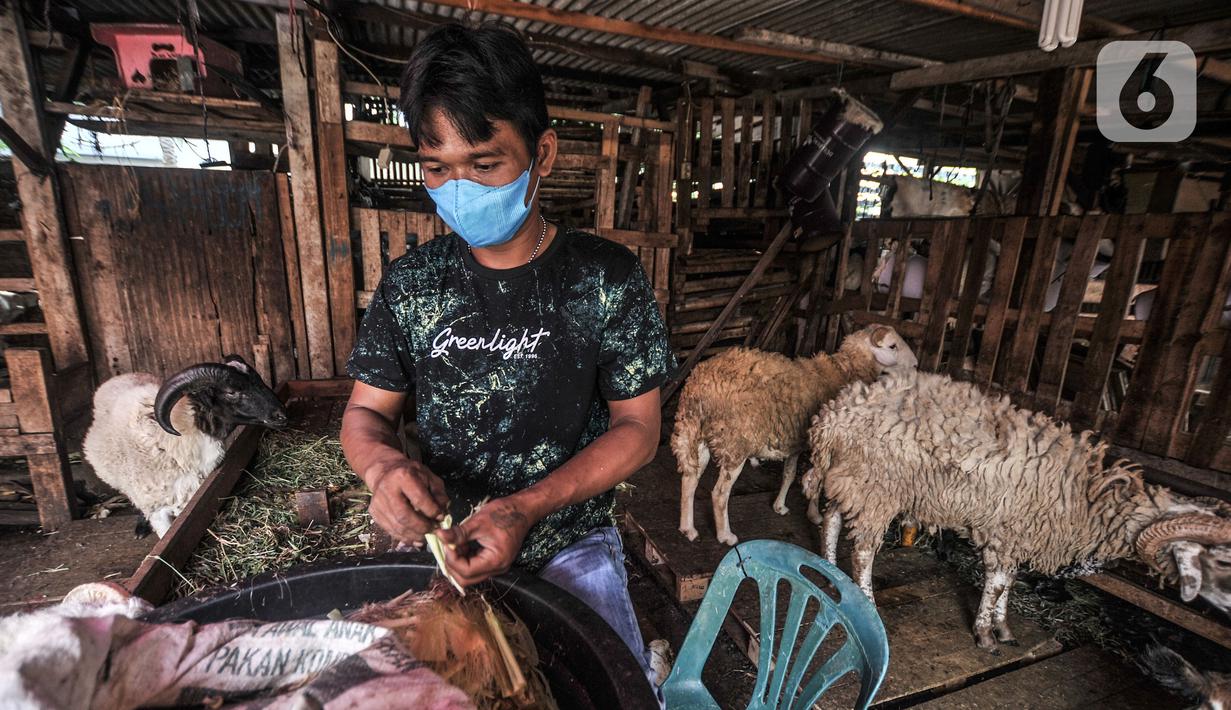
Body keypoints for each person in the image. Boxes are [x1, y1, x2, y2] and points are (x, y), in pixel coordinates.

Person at [339, 22, 674, 695]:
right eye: (436, 168)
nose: (458, 187)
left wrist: (526, 507)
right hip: (442, 543)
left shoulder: (604, 278)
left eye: (485, 164)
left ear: (541, 154)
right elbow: (364, 415)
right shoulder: (412, 284)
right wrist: (383, 469)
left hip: (569, 538)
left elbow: (638, 430)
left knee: (608, 689)